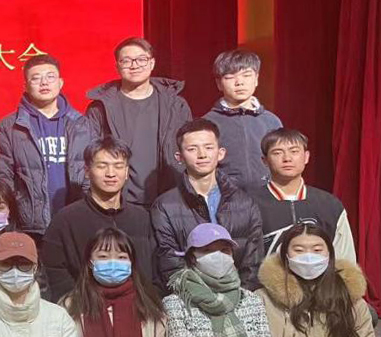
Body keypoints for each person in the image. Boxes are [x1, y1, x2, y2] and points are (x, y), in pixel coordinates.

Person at [151, 119, 263, 288]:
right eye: (192, 149)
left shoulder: (245, 203)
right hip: (188, 297)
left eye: (209, 147)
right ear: (179, 157)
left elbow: (253, 261)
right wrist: (198, 296)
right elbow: (169, 262)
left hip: (239, 296)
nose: (202, 154)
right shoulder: (165, 206)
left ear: (221, 153)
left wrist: (240, 296)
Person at [0, 54, 99, 237]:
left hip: (76, 222)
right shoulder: (10, 127)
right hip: (29, 226)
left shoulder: (82, 125)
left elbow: (93, 171)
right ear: (26, 86)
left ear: (60, 83)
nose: (44, 83)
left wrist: (87, 207)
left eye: (50, 77)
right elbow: (4, 177)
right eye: (36, 78)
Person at [41, 138, 156, 300]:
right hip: (83, 307)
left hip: (137, 306)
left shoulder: (142, 218)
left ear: (127, 172)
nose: (111, 173)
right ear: (87, 171)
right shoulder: (65, 219)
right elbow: (53, 271)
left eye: (118, 166)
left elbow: (154, 268)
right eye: (102, 166)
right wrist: (76, 303)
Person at [84, 37, 192, 205]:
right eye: (126, 61)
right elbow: (89, 154)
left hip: (168, 196)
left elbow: (189, 146)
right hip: (118, 200)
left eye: (141, 59)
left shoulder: (175, 104)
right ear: (117, 66)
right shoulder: (100, 108)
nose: (134, 66)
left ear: (152, 63)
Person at [246, 128, 356, 261]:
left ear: (306, 157)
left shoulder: (329, 205)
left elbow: (344, 262)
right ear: (264, 160)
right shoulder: (248, 204)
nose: (287, 158)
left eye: (294, 151)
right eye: (277, 153)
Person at [203, 49, 282, 189]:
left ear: (256, 79)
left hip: (268, 195)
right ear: (219, 83)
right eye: (230, 77)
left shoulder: (271, 121)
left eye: (246, 75)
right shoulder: (207, 123)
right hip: (226, 196)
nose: (239, 82)